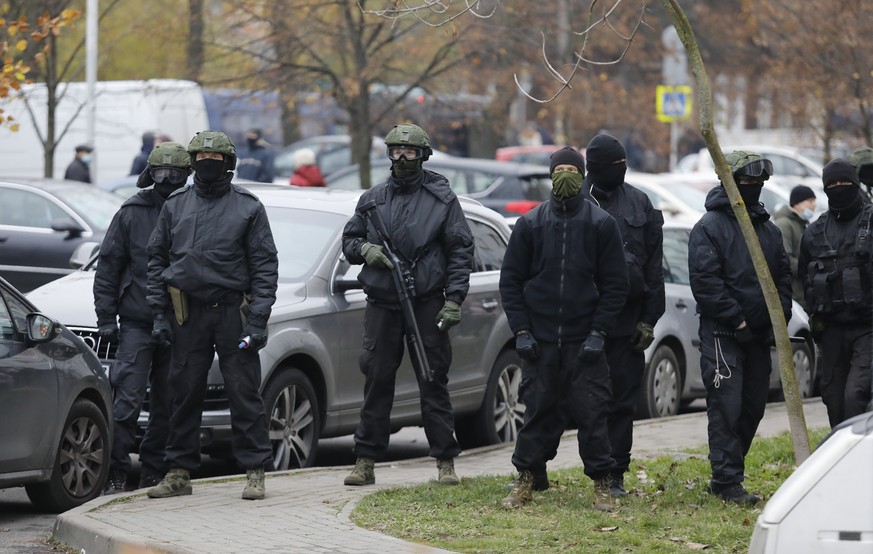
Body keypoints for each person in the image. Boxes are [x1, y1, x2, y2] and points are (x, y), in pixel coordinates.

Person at [145, 130, 278, 501]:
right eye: (200, 157)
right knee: (183, 392)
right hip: (186, 313)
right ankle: (178, 472)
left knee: (244, 392)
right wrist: (159, 313)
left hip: (232, 312)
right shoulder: (175, 204)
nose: (206, 162)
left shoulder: (248, 207)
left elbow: (265, 266)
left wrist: (258, 320)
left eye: (215, 158)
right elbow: (156, 259)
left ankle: (254, 471)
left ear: (228, 164)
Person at [340, 123, 474, 487]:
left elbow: (461, 250)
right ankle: (365, 461)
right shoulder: (372, 199)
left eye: (409, 152)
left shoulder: (442, 199)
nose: (401, 158)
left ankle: (445, 461)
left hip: (427, 303)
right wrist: (365, 250)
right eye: (396, 151)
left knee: (433, 380)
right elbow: (349, 239)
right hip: (383, 303)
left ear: (423, 155)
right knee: (377, 381)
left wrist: (454, 299)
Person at [499, 146, 629, 511]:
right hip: (539, 341)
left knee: (593, 414)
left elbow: (616, 285)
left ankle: (602, 483)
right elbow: (510, 282)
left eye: (573, 169)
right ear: (551, 174)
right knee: (536, 411)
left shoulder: (601, 224)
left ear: (583, 173)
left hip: (584, 342)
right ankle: (526, 477)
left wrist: (599, 332)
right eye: (561, 169)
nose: (566, 175)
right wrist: (521, 330)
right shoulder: (531, 224)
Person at [688, 150, 792, 505]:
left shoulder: (769, 231)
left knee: (753, 408)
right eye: (746, 182)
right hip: (723, 336)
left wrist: (781, 317)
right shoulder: (709, 228)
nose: (754, 188)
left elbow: (783, 277)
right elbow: (706, 282)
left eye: (758, 183)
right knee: (726, 408)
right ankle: (726, 480)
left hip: (760, 337)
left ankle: (730, 470)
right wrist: (738, 319)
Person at [95, 142, 192, 494]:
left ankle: (154, 471)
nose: (167, 180)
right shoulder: (131, 212)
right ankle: (115, 472)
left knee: (169, 403)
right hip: (136, 322)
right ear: (149, 174)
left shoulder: (194, 209)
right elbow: (108, 265)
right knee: (125, 404)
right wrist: (105, 316)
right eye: (161, 173)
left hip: (181, 323)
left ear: (187, 175)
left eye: (175, 174)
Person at [583, 133, 665, 498]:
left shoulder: (640, 203)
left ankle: (615, 473)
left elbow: (653, 267)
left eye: (623, 163)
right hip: (584, 321)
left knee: (621, 401)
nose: (620, 170)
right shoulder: (576, 201)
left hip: (628, 323)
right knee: (580, 401)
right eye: (612, 165)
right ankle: (538, 470)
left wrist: (650, 319)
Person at [798, 159, 873, 428]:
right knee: (833, 399)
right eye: (832, 184)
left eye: (844, 183)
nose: (838, 188)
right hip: (830, 330)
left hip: (867, 328)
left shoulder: (870, 221)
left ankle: (858, 459)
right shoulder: (814, 231)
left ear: (855, 185)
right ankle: (843, 459)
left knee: (856, 396)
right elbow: (802, 278)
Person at [774, 185, 817, 310]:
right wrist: (809, 269)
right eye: (810, 201)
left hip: (803, 289)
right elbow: (785, 258)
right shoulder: (784, 224)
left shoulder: (802, 223)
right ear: (797, 204)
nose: (814, 205)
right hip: (794, 292)